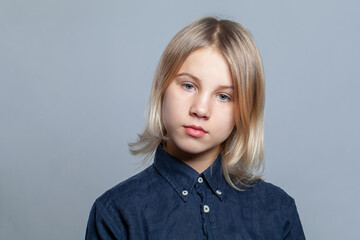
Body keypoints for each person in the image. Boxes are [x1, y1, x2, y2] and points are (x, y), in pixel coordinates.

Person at [85, 17, 306, 239]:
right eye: (189, 86)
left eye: (223, 96)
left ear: (244, 111)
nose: (200, 109)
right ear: (162, 88)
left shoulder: (278, 210)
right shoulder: (115, 212)